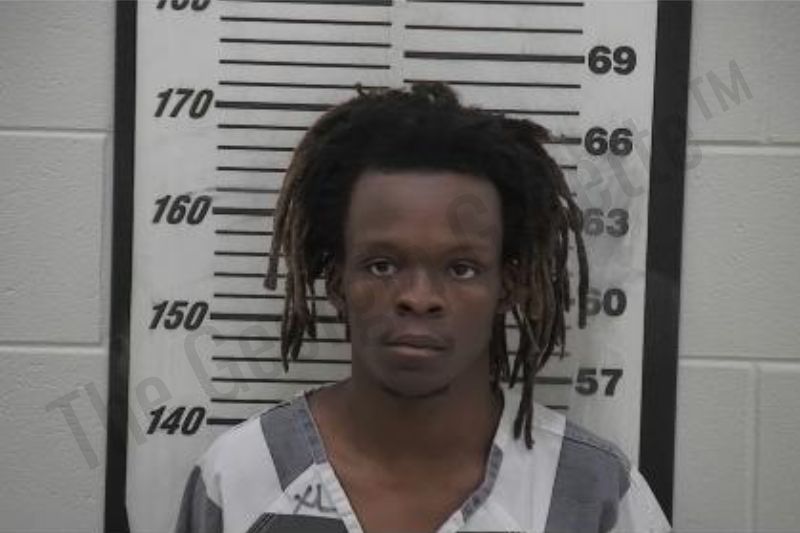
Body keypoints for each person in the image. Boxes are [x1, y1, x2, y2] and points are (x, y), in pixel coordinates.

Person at [175, 82, 671, 533]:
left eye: (461, 268)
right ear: (337, 281)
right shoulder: (239, 476)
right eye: (382, 265)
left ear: (508, 286)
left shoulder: (595, 493)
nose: (418, 296)